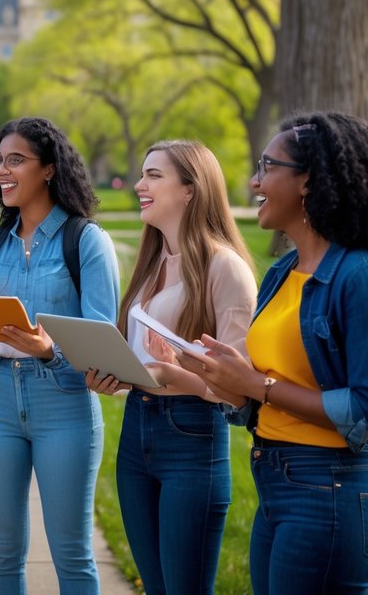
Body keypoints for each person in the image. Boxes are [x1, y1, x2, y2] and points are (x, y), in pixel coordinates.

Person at [178, 112, 368, 595]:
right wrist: (228, 380)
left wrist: (258, 385)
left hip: (330, 489)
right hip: (277, 482)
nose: (255, 182)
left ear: (308, 181)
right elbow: (268, 388)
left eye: (267, 167)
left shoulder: (362, 277)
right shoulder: (283, 272)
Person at [0, 117, 119, 595]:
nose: (2, 170)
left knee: (72, 554)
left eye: (16, 160)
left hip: (64, 405)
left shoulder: (87, 241)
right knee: (2, 554)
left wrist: (50, 351)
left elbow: (102, 342)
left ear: (48, 169)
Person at [86, 140, 257, 595]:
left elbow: (240, 390)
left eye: (154, 176)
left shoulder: (226, 268)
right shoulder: (152, 262)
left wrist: (173, 374)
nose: (139, 185)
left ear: (190, 189)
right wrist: (114, 374)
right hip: (136, 432)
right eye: (142, 174)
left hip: (192, 437)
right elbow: (143, 357)